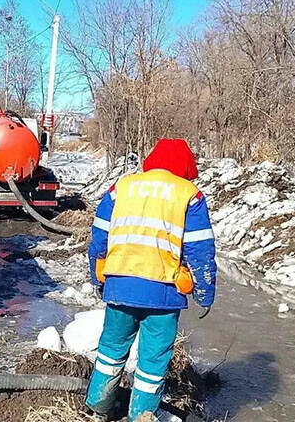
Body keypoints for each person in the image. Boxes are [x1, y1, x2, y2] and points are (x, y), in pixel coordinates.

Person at [85, 139, 217, 421]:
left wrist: (98, 278)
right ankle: (141, 415)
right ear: (185, 168)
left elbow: (99, 237)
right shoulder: (189, 194)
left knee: (110, 349)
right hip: (164, 292)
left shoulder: (121, 187)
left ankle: (99, 406)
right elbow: (200, 250)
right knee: (153, 361)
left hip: (119, 285)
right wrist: (204, 293)